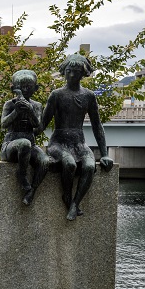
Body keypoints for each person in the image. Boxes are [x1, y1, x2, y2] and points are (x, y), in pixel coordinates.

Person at [39, 54, 113, 220]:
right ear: (64, 72)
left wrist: (105, 154)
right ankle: (66, 195)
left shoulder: (89, 96)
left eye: (76, 72)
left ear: (83, 74)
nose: (72, 75)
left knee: (89, 166)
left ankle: (75, 203)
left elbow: (97, 125)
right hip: (58, 142)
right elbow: (42, 123)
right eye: (69, 71)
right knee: (69, 163)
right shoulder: (56, 95)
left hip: (79, 143)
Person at [0, 69, 47, 205]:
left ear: (35, 88)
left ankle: (32, 191)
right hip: (11, 145)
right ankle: (21, 174)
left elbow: (38, 126)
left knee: (45, 161)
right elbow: (3, 124)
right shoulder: (10, 104)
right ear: (14, 89)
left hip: (30, 145)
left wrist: (30, 111)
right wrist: (16, 111)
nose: (25, 89)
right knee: (24, 143)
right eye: (22, 87)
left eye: (29, 87)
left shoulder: (36, 105)